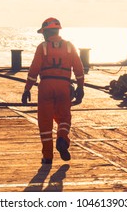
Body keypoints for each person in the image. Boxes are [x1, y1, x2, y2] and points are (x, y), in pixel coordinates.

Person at [22, 17, 85, 165]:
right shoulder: (70, 46)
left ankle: (48, 156)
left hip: (46, 87)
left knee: (45, 122)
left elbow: (34, 70)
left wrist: (27, 89)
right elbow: (79, 68)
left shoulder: (42, 47)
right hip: (64, 87)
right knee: (64, 118)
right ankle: (62, 137)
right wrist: (81, 87)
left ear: (46, 32)